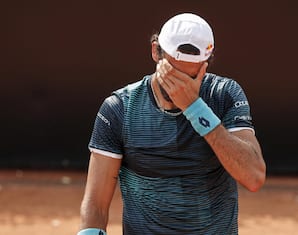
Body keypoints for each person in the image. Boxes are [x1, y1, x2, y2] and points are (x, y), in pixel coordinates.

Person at [78, 12, 266, 235]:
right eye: (173, 72)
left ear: (205, 65)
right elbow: (96, 205)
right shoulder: (119, 108)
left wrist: (195, 107)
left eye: (189, 77)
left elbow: (253, 177)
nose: (179, 86)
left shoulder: (223, 95)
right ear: (155, 51)